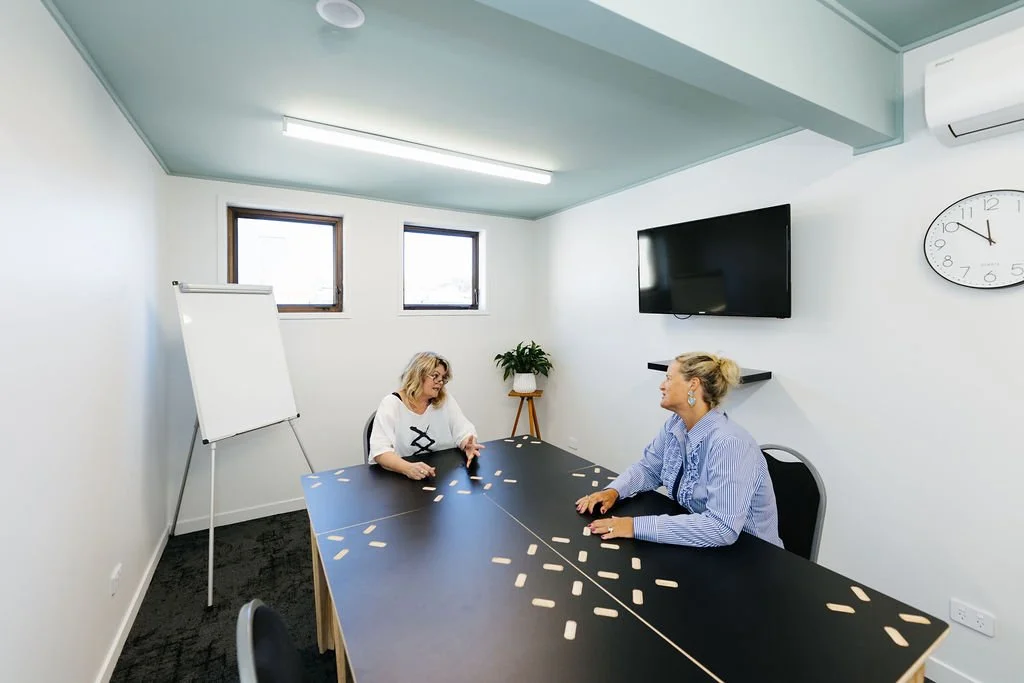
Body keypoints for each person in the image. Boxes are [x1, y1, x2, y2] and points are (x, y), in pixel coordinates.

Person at [576, 352, 782, 548]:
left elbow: (722, 528)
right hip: (705, 541)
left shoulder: (730, 443)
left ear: (693, 385)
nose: (661, 385)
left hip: (752, 554)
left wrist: (633, 526)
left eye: (668, 378)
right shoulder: (676, 424)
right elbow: (649, 469)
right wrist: (614, 491)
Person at [369, 351, 484, 480]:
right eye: (435, 376)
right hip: (403, 478)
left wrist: (467, 444)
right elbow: (380, 451)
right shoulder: (391, 404)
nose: (440, 381)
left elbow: (462, 430)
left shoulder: (445, 400)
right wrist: (408, 468)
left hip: (441, 475)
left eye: (443, 377)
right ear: (418, 375)